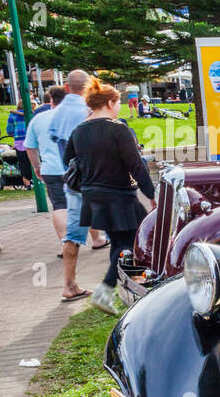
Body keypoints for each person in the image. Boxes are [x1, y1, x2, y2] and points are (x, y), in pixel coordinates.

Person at [62, 78, 156, 315]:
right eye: (118, 103)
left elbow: (67, 160)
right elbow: (136, 165)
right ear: (110, 102)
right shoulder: (118, 129)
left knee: (120, 243)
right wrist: (152, 194)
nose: (120, 108)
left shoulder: (80, 130)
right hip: (120, 196)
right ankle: (106, 289)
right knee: (133, 241)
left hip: (93, 196)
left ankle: (135, 286)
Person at [49, 69, 106, 302]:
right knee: (124, 225)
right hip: (98, 179)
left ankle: (69, 284)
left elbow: (60, 147)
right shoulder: (90, 110)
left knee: (72, 234)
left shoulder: (56, 112)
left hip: (73, 182)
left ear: (66, 88)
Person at [23, 86, 72, 255]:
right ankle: (96, 239)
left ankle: (65, 242)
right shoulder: (75, 117)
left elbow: (30, 147)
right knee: (85, 201)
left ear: (51, 100)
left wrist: (37, 166)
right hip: (75, 167)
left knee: (59, 206)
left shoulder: (38, 119)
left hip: (50, 168)